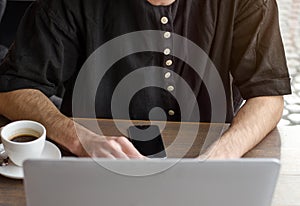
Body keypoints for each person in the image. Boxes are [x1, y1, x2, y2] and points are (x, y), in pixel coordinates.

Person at [0, 0, 291, 159]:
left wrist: (224, 155)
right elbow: (12, 88)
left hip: (207, 157)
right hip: (95, 164)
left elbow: (267, 95)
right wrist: (77, 138)